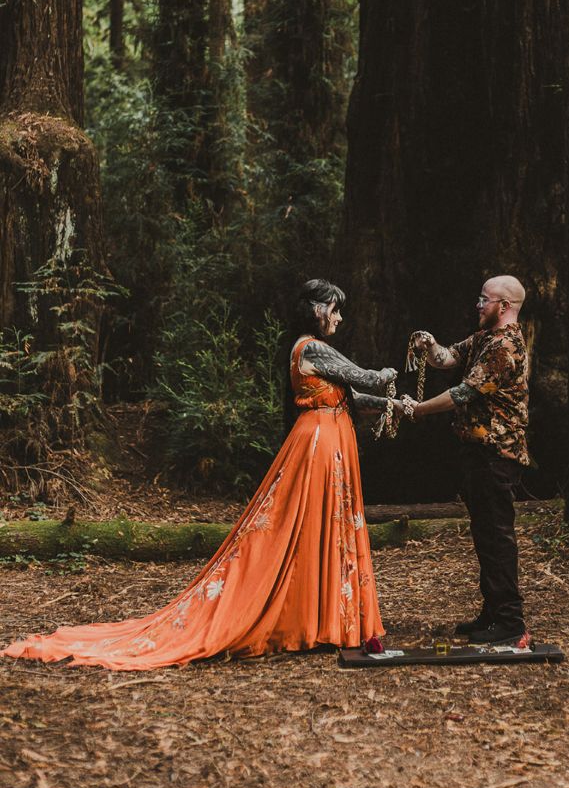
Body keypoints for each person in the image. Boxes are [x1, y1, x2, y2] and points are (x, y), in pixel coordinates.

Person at [1, 280, 397, 670]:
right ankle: (308, 618)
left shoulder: (317, 351)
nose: (340, 317)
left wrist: (395, 406)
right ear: (316, 309)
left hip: (329, 445)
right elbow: (364, 377)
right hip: (317, 448)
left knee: (318, 528)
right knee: (302, 529)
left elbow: (353, 396)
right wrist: (395, 371)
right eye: (335, 308)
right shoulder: (311, 348)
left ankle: (322, 619)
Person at [404, 275, 530, 646]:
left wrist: (417, 410)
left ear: (504, 306)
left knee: (497, 537)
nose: (478, 304)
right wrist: (428, 345)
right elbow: (447, 358)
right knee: (485, 535)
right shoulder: (484, 338)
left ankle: (510, 620)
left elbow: (463, 392)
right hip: (478, 453)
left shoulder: (505, 346)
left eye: (484, 299)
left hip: (497, 452)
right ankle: (492, 613)